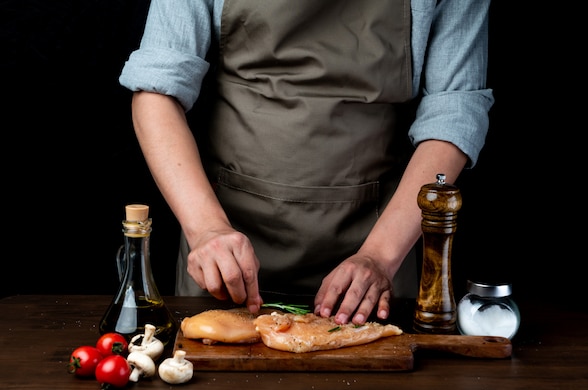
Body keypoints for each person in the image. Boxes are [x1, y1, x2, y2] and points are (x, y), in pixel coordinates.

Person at [119, 0, 494, 325]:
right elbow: (157, 91)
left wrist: (379, 256)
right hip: (227, 246)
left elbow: (454, 111)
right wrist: (206, 229)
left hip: (380, 244)